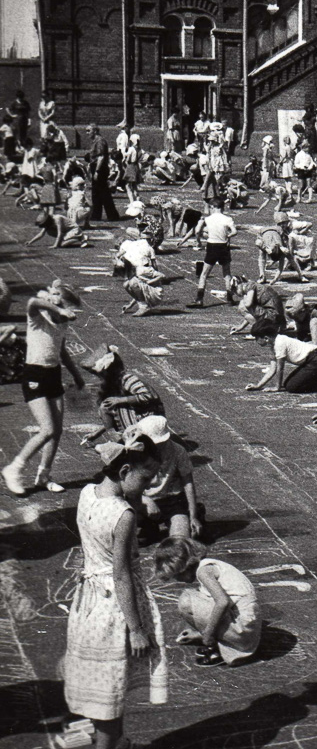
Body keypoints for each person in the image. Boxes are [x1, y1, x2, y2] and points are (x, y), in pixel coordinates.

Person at [63, 438, 168, 749]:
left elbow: (110, 508)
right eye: (147, 479)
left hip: (87, 604)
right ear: (124, 470)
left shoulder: (86, 494)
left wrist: (137, 498)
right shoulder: (124, 516)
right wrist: (136, 629)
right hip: (114, 609)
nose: (151, 486)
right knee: (111, 695)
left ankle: (116, 742)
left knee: (105, 687)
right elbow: (121, 575)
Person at [2, 280, 84, 495]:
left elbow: (62, 350)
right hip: (34, 375)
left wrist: (77, 376)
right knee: (46, 429)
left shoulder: (61, 323)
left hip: (53, 374)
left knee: (56, 431)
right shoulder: (38, 317)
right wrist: (59, 308)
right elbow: (32, 302)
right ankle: (14, 468)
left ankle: (43, 475)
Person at [154, 536, 261, 667]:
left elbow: (223, 602)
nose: (177, 579)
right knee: (196, 596)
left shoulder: (203, 572)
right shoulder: (209, 565)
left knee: (186, 601)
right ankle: (224, 641)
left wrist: (208, 634)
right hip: (247, 626)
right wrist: (198, 633)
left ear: (185, 565)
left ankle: (222, 649)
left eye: (177, 575)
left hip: (243, 629)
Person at [124, 414, 202, 538]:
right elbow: (126, 485)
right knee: (126, 529)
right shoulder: (135, 451)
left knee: (181, 538)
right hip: (143, 500)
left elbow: (188, 483)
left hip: (173, 501)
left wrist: (193, 516)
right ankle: (148, 526)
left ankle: (192, 513)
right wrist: (144, 500)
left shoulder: (178, 451)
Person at [79, 345, 165, 444]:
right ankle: (120, 438)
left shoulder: (127, 378)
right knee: (107, 406)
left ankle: (123, 441)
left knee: (105, 407)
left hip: (151, 419)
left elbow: (147, 396)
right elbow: (114, 416)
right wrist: (97, 433)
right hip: (141, 416)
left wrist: (119, 400)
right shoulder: (116, 382)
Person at [189, 197, 237, 307]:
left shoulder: (207, 219)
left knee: (204, 274)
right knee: (226, 273)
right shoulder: (228, 219)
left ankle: (199, 299)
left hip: (212, 245)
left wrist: (199, 241)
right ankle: (230, 298)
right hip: (224, 246)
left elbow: (197, 231)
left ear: (213, 207)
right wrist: (228, 236)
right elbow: (235, 231)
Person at [87, 124, 120, 221]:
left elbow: (100, 157)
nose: (87, 133)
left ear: (95, 131)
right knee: (96, 193)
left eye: (89, 131)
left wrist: (97, 171)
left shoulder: (100, 141)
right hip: (96, 167)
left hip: (100, 168)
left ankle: (112, 215)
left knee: (103, 192)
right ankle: (96, 215)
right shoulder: (95, 141)